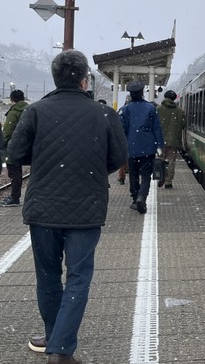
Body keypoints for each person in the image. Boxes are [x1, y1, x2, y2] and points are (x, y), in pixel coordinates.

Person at [7, 50, 128, 364]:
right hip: (86, 209)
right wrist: (89, 167)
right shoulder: (105, 114)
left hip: (43, 208)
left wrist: (46, 161)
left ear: (55, 78)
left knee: (47, 276)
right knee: (78, 276)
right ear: (85, 79)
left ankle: (54, 338)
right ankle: (60, 349)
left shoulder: (35, 111)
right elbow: (118, 158)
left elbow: (15, 153)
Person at [118, 82, 164, 214]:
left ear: (130, 94)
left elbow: (121, 130)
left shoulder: (124, 110)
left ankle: (134, 198)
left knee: (133, 174)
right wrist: (160, 145)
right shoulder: (151, 108)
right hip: (148, 148)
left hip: (131, 148)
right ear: (142, 93)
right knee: (146, 175)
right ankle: (142, 197)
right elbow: (157, 128)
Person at [1, 89, 29, 207]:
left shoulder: (14, 112)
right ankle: (17, 196)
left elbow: (7, 132)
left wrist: (2, 144)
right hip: (26, 145)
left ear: (12, 100)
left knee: (13, 172)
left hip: (13, 146)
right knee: (19, 172)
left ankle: (14, 197)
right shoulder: (28, 109)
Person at [156, 90, 186, 188]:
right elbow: (183, 125)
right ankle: (168, 182)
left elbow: (153, 124)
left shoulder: (158, 109)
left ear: (165, 97)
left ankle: (161, 176)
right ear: (174, 99)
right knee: (171, 162)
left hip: (160, 141)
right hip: (174, 141)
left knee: (160, 159)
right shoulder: (180, 111)